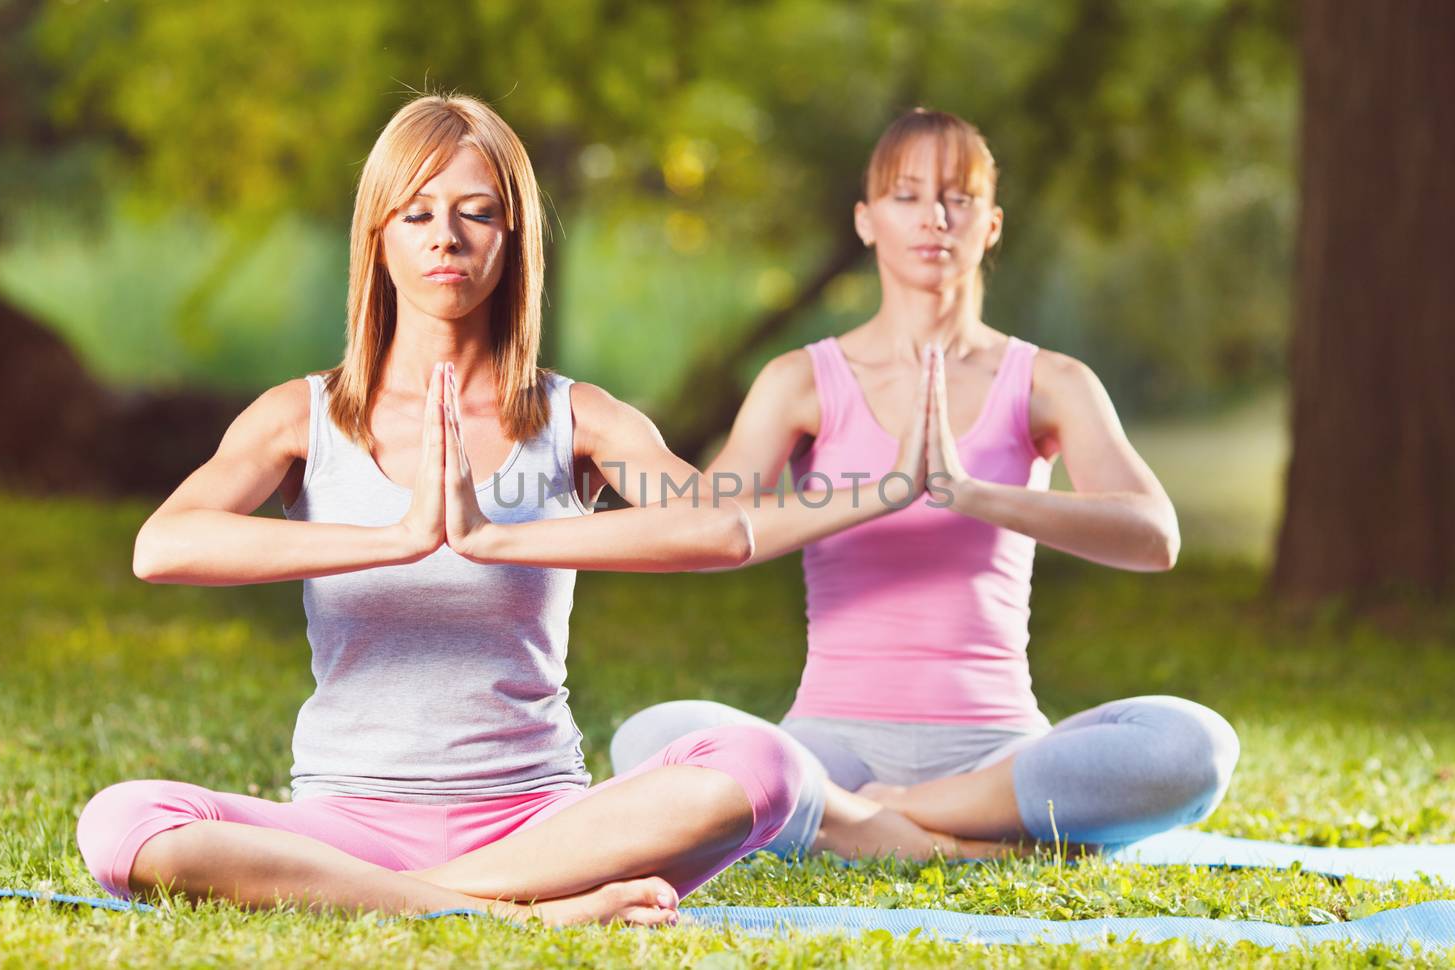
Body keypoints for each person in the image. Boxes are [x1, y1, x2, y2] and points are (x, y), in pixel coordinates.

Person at [75, 94, 802, 926]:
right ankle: (521, 914)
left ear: (513, 236)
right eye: (415, 212)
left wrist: (492, 537)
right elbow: (160, 546)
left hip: (541, 823)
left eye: (477, 213)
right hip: (345, 825)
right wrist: (396, 537)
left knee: (763, 763)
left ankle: (426, 903)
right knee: (122, 825)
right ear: (378, 239)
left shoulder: (576, 418)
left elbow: (722, 527)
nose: (445, 237)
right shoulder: (302, 417)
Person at [610, 108, 1238, 861]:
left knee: (1195, 747)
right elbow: (705, 532)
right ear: (866, 220)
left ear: (992, 224)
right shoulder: (800, 381)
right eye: (906, 196)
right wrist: (881, 490)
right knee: (648, 739)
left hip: (998, 757)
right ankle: (962, 847)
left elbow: (1154, 537)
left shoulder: (1050, 382)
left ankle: (877, 824)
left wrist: (967, 492)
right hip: (830, 748)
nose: (935, 217)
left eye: (959, 197)